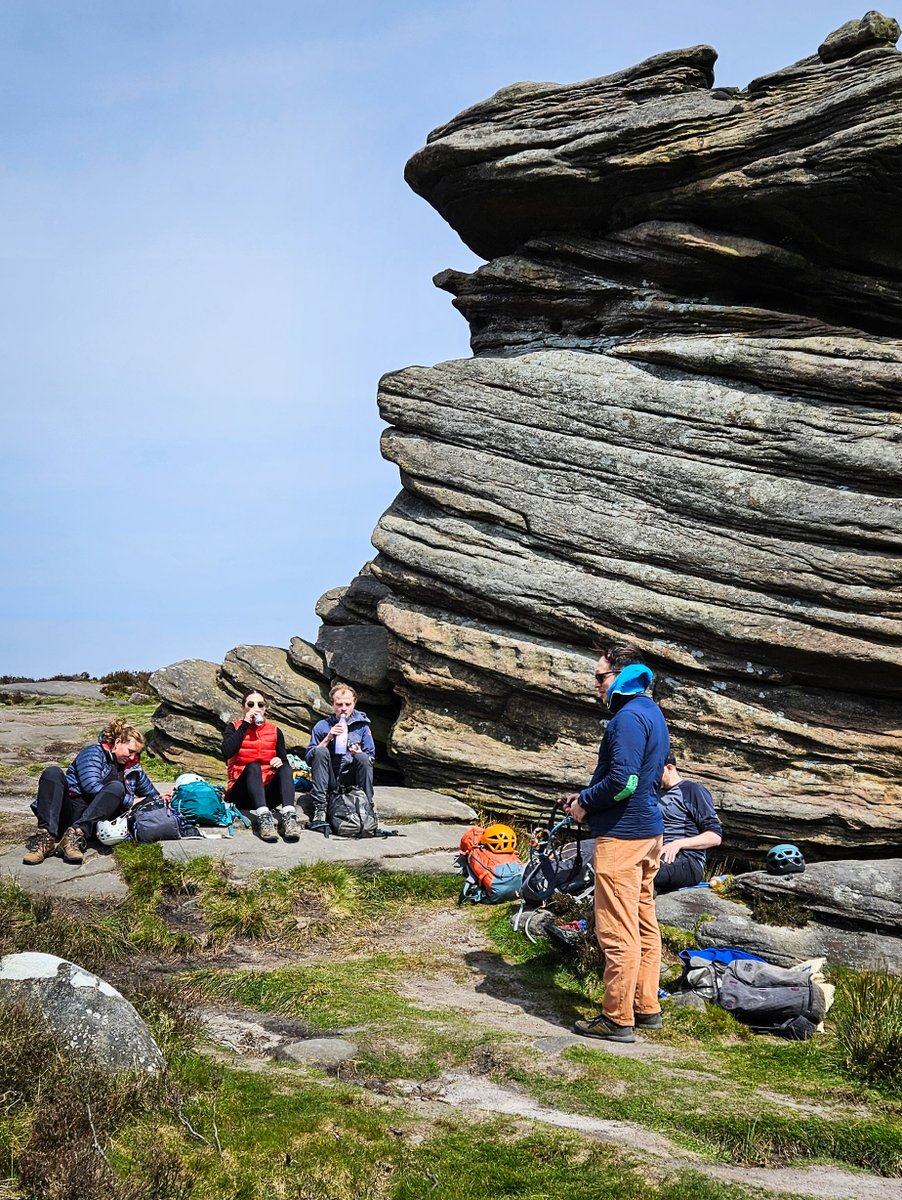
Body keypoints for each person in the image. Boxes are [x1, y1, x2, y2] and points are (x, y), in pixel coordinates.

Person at [561, 641, 670, 1044]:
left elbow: (624, 782)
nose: (596, 685)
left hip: (623, 837)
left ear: (622, 677)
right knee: (643, 922)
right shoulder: (652, 713)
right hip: (649, 833)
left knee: (616, 928)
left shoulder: (625, 719)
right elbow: (645, 777)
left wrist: (585, 804)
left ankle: (616, 1017)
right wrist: (585, 797)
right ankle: (645, 1006)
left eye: (600, 677)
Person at [23, 719, 165, 867]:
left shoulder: (133, 768)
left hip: (94, 824)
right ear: (117, 742)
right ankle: (46, 838)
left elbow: (152, 795)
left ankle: (73, 838)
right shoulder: (93, 753)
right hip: (69, 812)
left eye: (136, 754)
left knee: (116, 787)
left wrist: (163, 799)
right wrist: (130, 801)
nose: (131, 757)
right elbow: (90, 786)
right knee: (52, 773)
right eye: (130, 751)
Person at [222, 689, 299, 842]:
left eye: (260, 704)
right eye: (250, 704)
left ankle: (289, 818)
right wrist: (244, 724)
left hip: (267, 794)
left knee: (286, 768)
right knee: (253, 766)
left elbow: (284, 761)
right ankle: (264, 818)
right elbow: (227, 752)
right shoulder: (234, 726)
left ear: (265, 709)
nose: (255, 708)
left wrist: (280, 761)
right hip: (240, 793)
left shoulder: (275, 731)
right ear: (244, 708)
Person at [305, 683, 376, 828]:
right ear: (332, 704)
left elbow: (371, 758)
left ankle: (367, 806)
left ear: (354, 703)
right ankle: (320, 808)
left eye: (348, 704)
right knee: (320, 751)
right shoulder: (322, 726)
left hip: (351, 777)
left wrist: (359, 753)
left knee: (363, 758)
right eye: (339, 704)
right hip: (330, 779)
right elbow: (309, 759)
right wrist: (328, 738)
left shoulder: (362, 726)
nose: (343, 708)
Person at [656, 754, 723, 894]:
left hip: (688, 861)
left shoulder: (692, 790)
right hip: (656, 857)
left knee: (649, 873)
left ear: (669, 768)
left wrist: (678, 843)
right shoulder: (652, 793)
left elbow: (715, 836)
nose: (652, 777)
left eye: (656, 772)